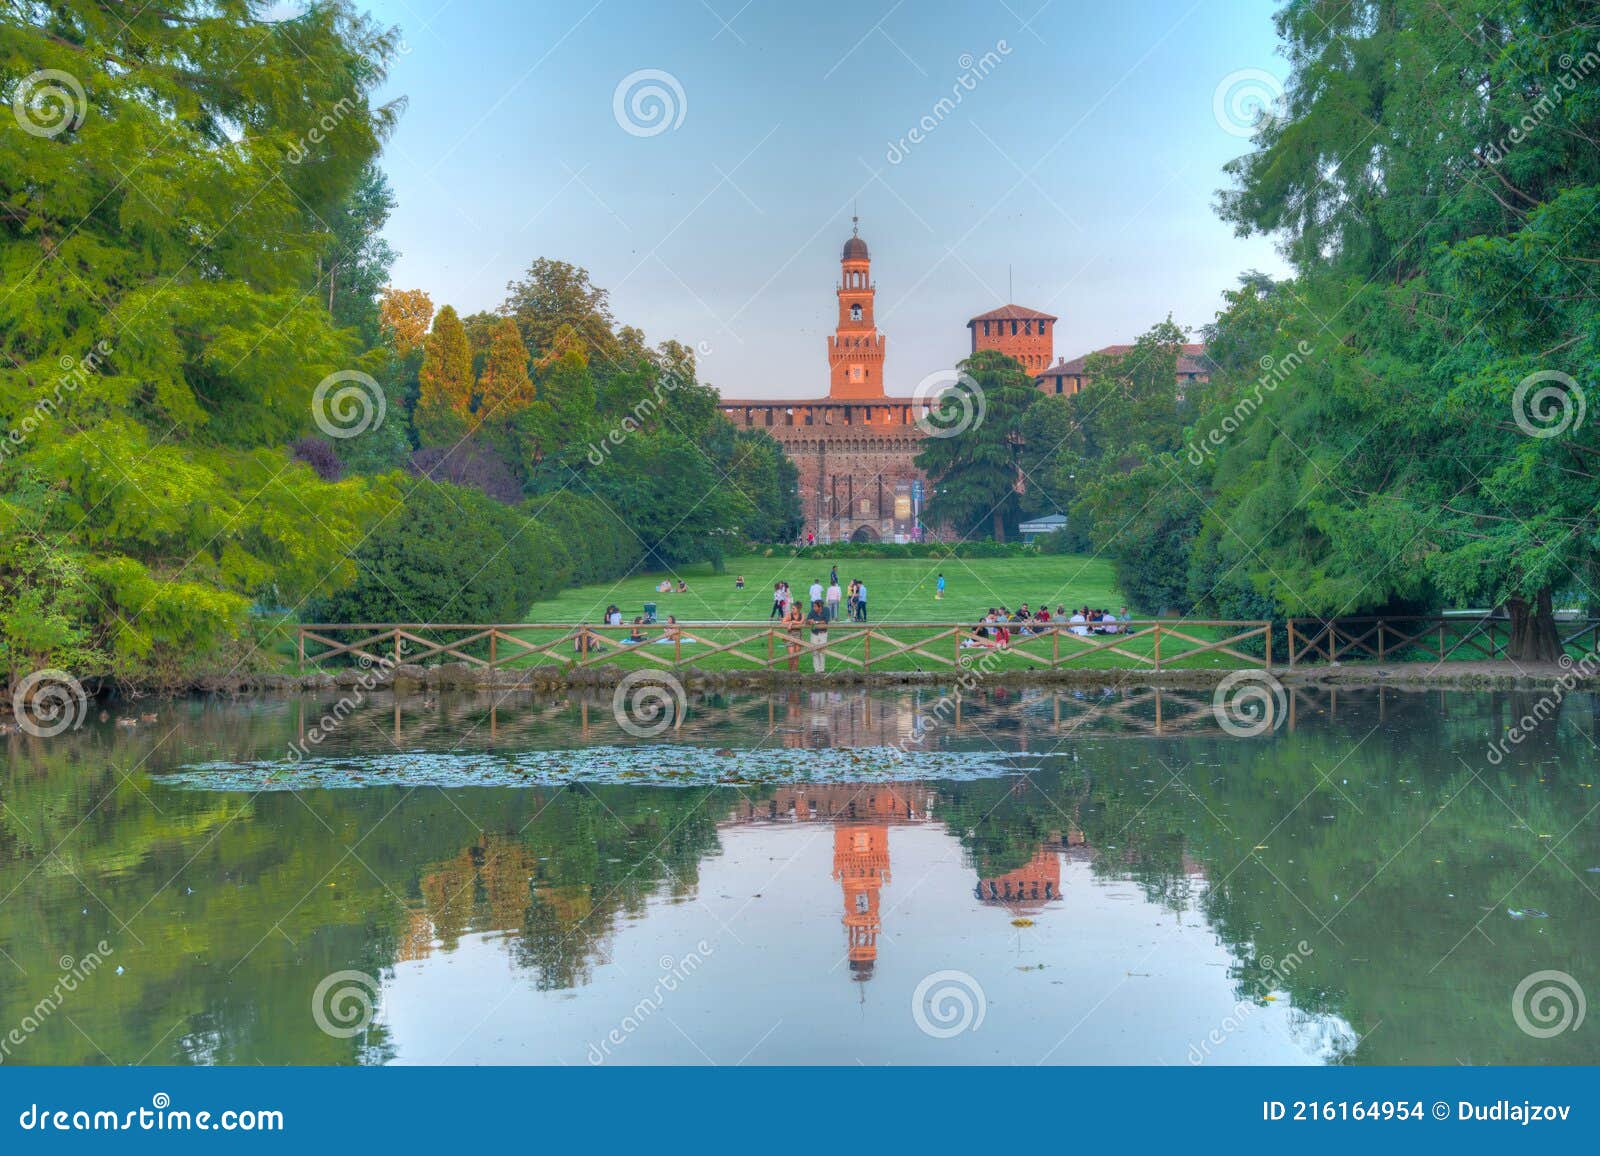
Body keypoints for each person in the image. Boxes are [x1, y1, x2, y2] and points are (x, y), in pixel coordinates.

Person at [806, 598, 829, 673]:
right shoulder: (812, 611)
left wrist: (815, 622)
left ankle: (822, 670)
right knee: (815, 652)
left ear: (820, 607)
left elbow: (825, 621)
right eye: (814, 606)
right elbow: (807, 620)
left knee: (822, 652)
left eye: (815, 606)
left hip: (823, 633)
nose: (814, 608)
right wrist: (810, 621)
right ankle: (816, 670)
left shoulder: (826, 610)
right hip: (814, 633)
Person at [784, 599, 805, 672]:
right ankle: (790, 672)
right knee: (791, 656)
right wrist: (790, 622)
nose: (792, 610)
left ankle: (795, 672)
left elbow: (801, 622)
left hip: (798, 635)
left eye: (793, 608)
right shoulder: (789, 615)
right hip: (790, 635)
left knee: (796, 656)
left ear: (798, 609)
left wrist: (792, 622)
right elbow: (783, 622)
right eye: (792, 608)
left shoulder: (802, 615)